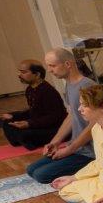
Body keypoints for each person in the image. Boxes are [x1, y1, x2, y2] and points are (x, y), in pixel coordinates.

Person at [26, 47, 97, 184]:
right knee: (31, 170)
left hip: (90, 153)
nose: (49, 70)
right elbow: (72, 115)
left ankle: (92, 168)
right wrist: (55, 142)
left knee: (41, 175)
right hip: (77, 148)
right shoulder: (69, 84)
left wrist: (69, 150)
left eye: (52, 65)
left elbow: (95, 123)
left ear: (68, 64)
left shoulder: (88, 86)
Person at [0, 59, 66, 149]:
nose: (19, 75)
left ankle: (25, 140)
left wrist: (29, 124)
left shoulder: (47, 91)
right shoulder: (29, 89)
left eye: (24, 72)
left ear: (37, 74)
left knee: (26, 134)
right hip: (38, 123)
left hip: (54, 127)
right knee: (8, 123)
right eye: (20, 72)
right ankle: (23, 140)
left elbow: (54, 117)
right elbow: (33, 111)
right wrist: (13, 116)